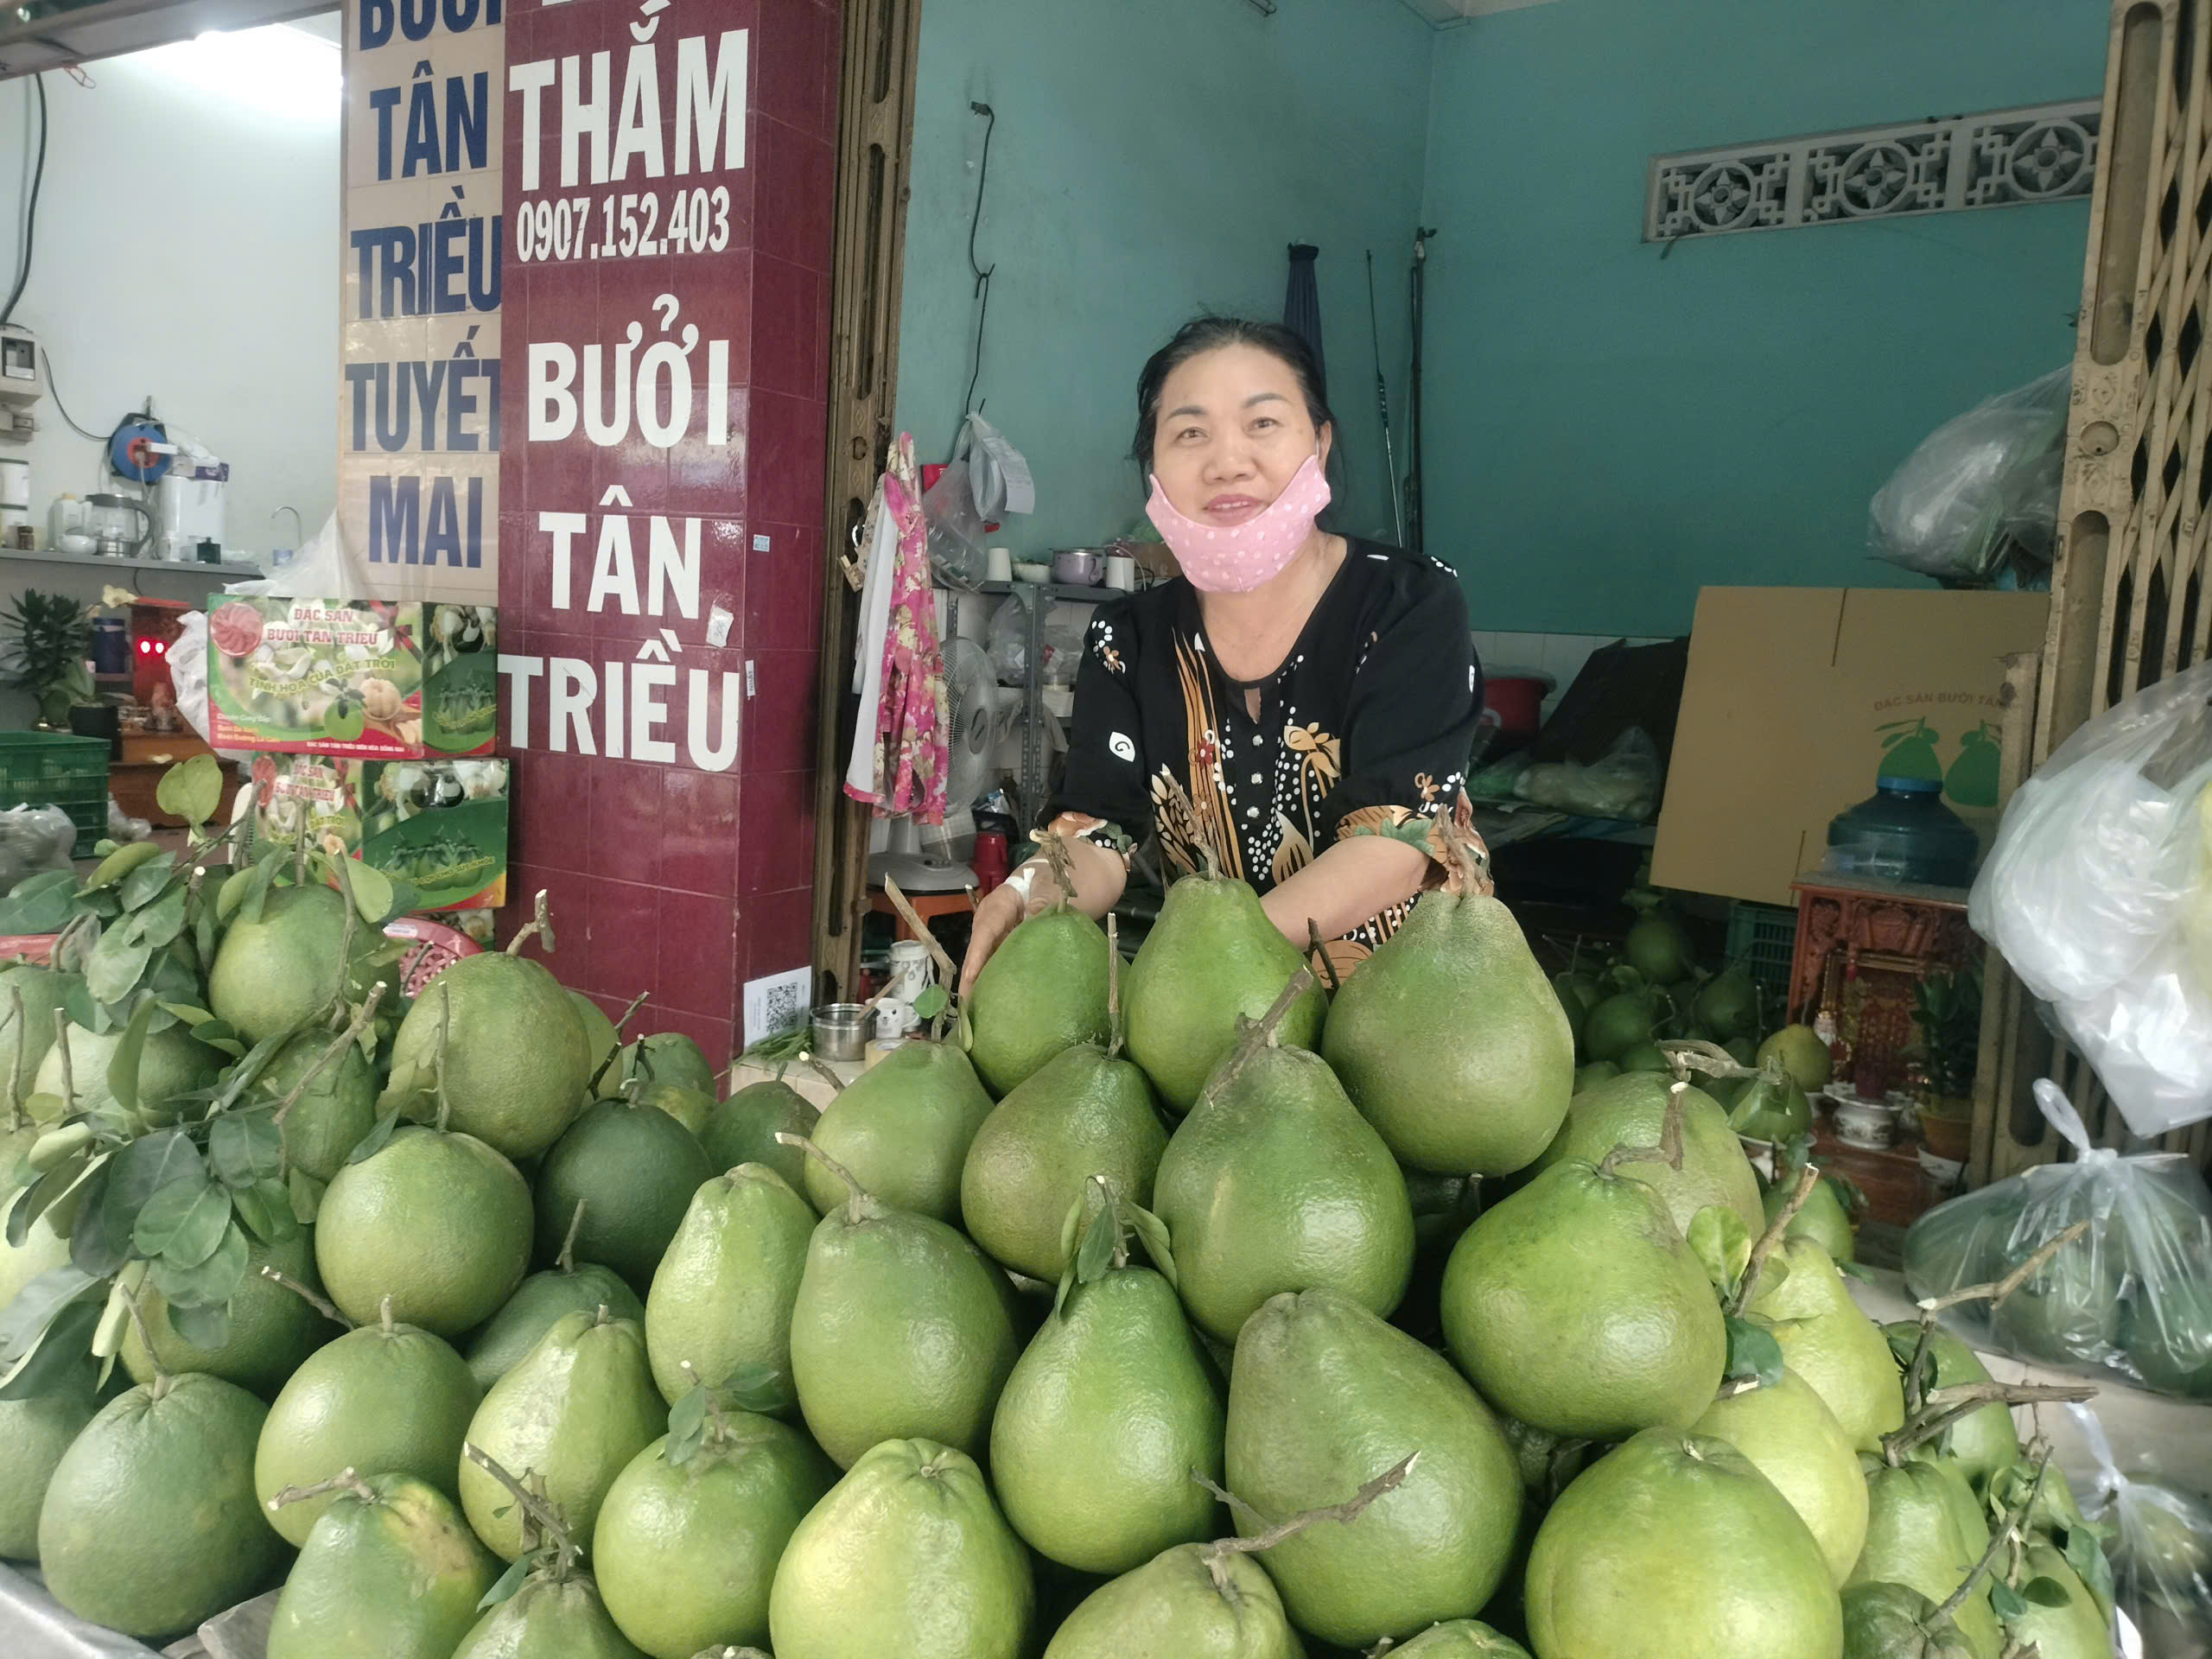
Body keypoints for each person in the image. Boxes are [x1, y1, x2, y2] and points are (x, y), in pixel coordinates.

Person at [958, 316, 1482, 993]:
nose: (1227, 460)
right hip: (1213, 1019)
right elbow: (1097, 832)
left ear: (1318, 445)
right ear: (1155, 470)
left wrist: (1214, 958)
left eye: (1262, 423)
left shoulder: (1406, 604)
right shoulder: (1130, 638)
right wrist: (1026, 892)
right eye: (1190, 432)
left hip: (1417, 1017)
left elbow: (1397, 839)